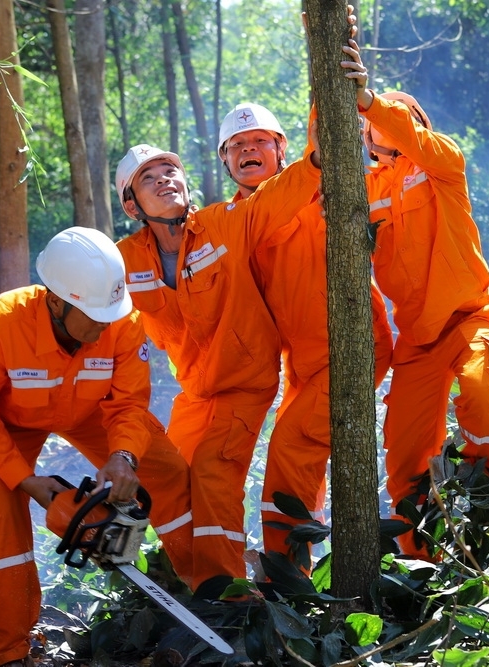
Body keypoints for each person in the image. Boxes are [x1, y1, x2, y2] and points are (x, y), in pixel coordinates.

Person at [0, 227, 195, 667]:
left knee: (167, 470)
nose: (104, 325)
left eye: (109, 314)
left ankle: (205, 589)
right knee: (2, 512)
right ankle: (11, 652)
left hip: (91, 413)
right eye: (95, 316)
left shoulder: (119, 319)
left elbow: (129, 403)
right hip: (10, 425)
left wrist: (123, 456)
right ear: (57, 301)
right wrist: (26, 480)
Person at [114, 138, 322, 595]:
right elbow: (92, 305)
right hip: (195, 391)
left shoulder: (224, 224)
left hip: (244, 382)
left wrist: (315, 162)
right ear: (132, 205)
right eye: (148, 178)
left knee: (212, 471)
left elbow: (274, 199)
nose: (164, 179)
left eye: (170, 171)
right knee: (170, 478)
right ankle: (189, 582)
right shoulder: (125, 260)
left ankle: (225, 593)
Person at [342, 41, 489, 559]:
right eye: (373, 122)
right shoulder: (365, 188)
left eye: (401, 116)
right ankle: (423, 561)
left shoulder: (443, 164)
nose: (385, 125)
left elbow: (413, 138)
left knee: (484, 393)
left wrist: (372, 102)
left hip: (470, 318)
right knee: (404, 458)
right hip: (416, 340)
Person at [216, 102, 393, 567]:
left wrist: (336, 42)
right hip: (303, 367)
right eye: (237, 146)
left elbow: (327, 120)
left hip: (355, 347)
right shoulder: (232, 222)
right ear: (224, 160)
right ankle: (295, 571)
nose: (248, 150)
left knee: (290, 450)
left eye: (259, 142)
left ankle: (286, 574)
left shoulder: (322, 183)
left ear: (281, 148)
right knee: (293, 464)